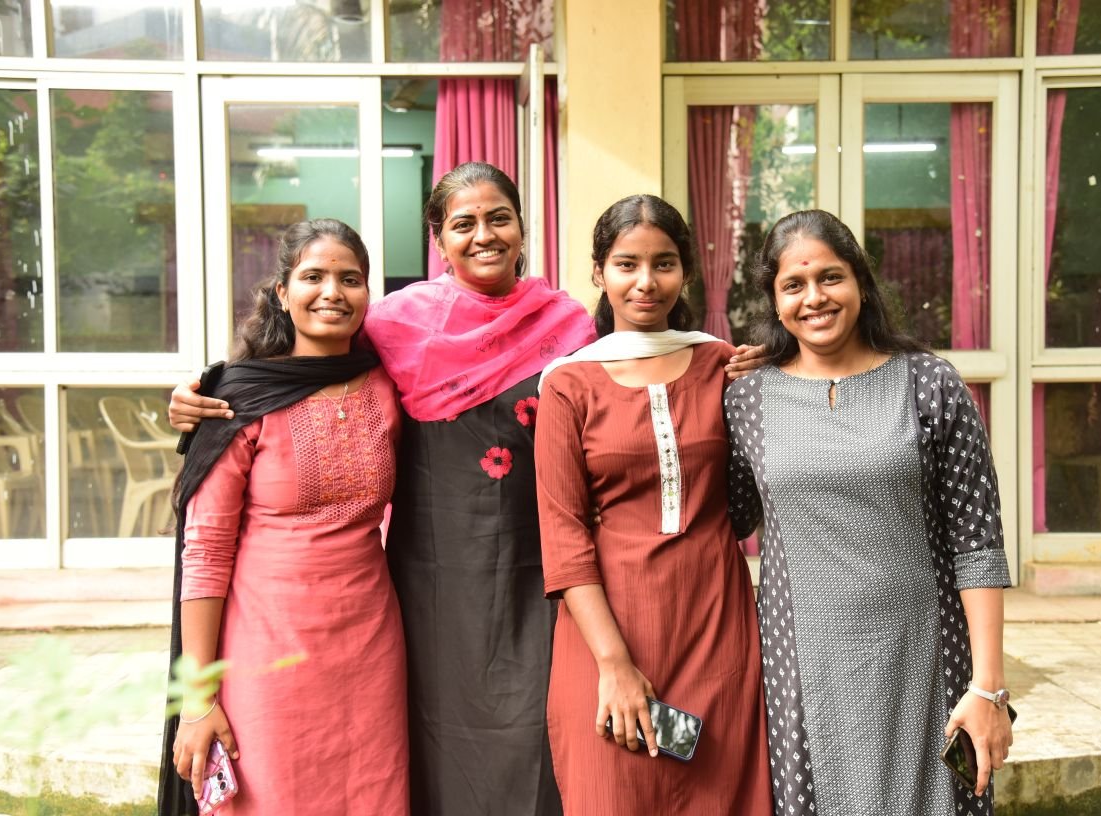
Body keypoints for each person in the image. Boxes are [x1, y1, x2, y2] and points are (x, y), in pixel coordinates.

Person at [167, 162, 765, 815]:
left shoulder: (568, 327)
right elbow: (306, 359)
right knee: (434, 737)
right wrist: (208, 391)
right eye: (464, 223)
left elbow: (634, 388)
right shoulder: (396, 323)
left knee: (541, 736)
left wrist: (751, 377)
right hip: (434, 578)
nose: (484, 235)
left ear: (522, 230)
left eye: (499, 219)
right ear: (439, 239)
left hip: (541, 570)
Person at [723, 209, 1013, 816]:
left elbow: (978, 542)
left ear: (860, 280)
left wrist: (987, 687)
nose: (814, 298)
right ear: (774, 301)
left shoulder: (930, 383)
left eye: (830, 277)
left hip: (928, 655)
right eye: (794, 285)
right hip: (801, 667)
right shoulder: (747, 398)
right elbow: (727, 518)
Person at [158, 218, 408, 816]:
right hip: (265, 648)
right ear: (282, 292)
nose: (332, 292)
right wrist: (197, 697)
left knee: (370, 795)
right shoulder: (239, 398)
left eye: (350, 279)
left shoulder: (387, 383)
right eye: (313, 276)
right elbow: (205, 551)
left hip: (370, 643)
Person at [534, 194, 771, 814]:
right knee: (610, 793)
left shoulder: (724, 365)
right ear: (599, 273)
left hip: (714, 625)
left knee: (720, 797)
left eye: (663, 263)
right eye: (626, 264)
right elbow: (562, 538)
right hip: (607, 631)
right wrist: (614, 664)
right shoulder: (568, 384)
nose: (646, 282)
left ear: (685, 271)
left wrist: (771, 382)